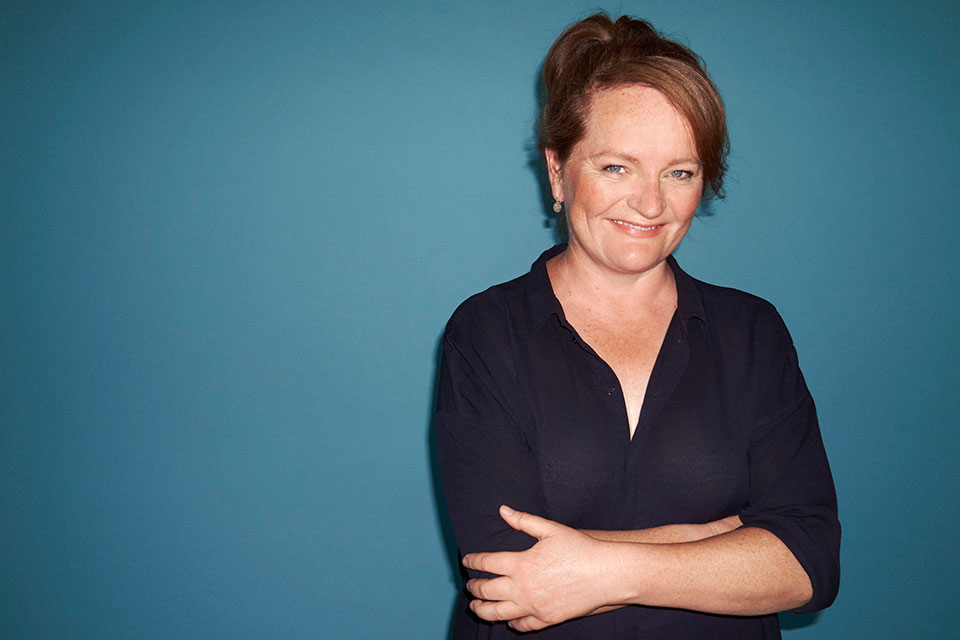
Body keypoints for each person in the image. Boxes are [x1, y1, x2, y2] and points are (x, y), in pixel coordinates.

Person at [434, 13, 840, 639]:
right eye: (616, 168)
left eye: (680, 172)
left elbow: (809, 561)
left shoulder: (752, 332)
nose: (652, 204)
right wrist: (717, 538)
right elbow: (511, 579)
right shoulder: (486, 333)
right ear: (556, 172)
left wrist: (599, 568)